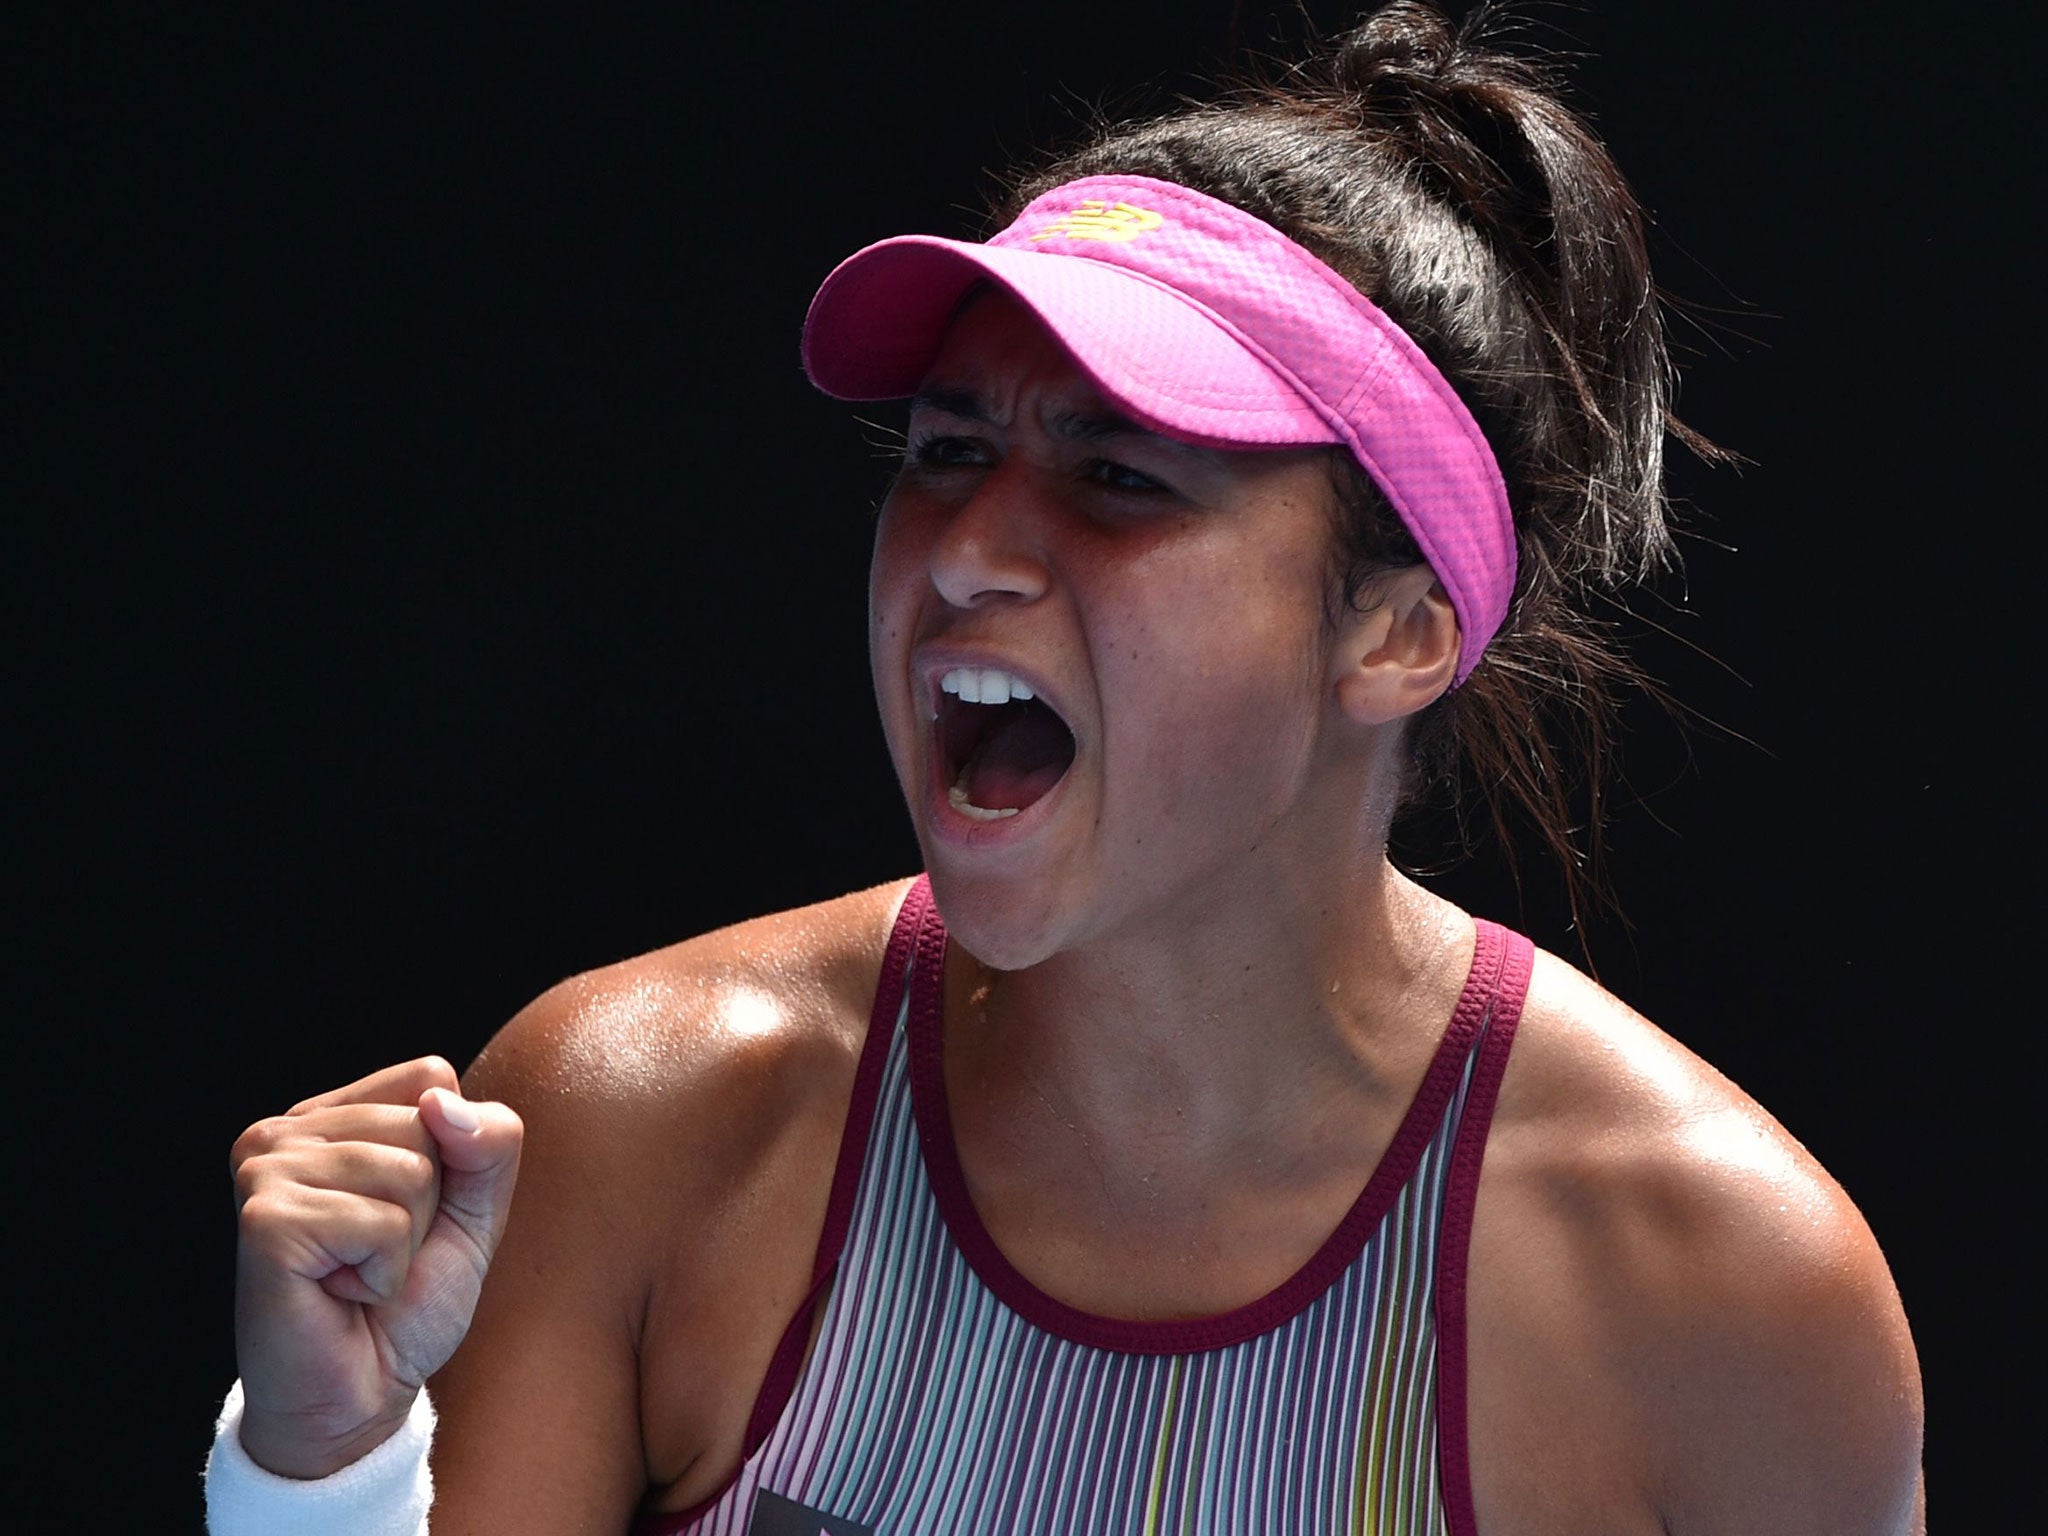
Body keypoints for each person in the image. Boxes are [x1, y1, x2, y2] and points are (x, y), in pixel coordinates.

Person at [205, 4, 1925, 1532]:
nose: (967, 549)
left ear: (1397, 632)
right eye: (948, 450)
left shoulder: (1730, 1299)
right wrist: (319, 1477)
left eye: (1120, 479)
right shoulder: (635, 1113)